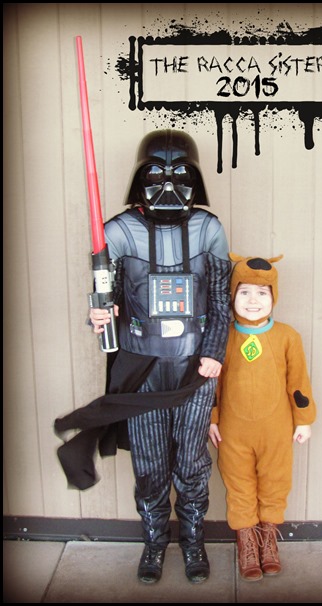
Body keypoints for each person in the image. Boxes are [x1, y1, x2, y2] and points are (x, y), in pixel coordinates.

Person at [89, 130, 231, 585]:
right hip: (142, 367)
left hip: (194, 368)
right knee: (150, 465)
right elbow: (107, 299)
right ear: (139, 178)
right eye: (155, 175)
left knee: (191, 464)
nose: (168, 186)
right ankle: (154, 541)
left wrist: (213, 353)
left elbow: (221, 299)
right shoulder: (118, 231)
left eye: (180, 175)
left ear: (195, 179)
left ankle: (192, 539)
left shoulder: (208, 228)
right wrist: (99, 314)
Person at [209, 253, 316, 582]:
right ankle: (246, 542)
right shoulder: (223, 336)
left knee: (275, 482)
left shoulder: (287, 336)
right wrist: (212, 418)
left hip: (276, 431)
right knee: (238, 484)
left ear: (273, 296)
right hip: (233, 432)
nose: (253, 300)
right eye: (244, 292)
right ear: (232, 296)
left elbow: (298, 382)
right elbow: (214, 384)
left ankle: (268, 539)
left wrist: (304, 419)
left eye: (261, 293)